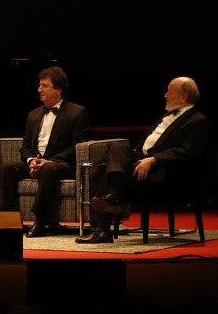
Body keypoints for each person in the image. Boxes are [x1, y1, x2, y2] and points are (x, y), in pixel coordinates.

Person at [76, 76, 209, 244]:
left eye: (169, 91)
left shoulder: (197, 121)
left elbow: (186, 152)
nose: (165, 95)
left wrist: (153, 160)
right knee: (117, 148)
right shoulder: (167, 116)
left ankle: (105, 224)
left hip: (167, 172)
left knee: (112, 176)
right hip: (142, 160)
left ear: (184, 96)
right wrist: (137, 157)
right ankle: (113, 197)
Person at [0, 66, 89, 237]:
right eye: (39, 85)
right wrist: (31, 160)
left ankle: (41, 221)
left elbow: (78, 145)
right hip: (37, 161)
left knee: (48, 168)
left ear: (59, 89)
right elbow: (25, 147)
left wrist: (49, 161)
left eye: (44, 86)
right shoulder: (33, 114)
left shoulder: (77, 112)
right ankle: (8, 219)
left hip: (61, 164)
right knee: (7, 168)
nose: (39, 90)